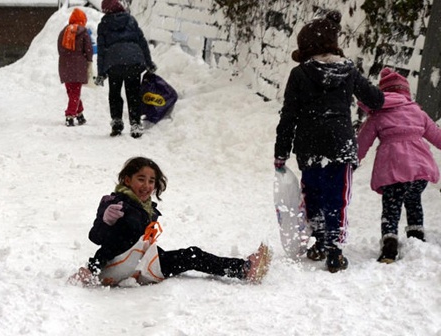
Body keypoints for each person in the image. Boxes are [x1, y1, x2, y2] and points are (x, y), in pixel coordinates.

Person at [273, 10, 384, 273]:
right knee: (337, 197)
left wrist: (281, 151)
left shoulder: (299, 74)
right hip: (339, 145)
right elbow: (376, 100)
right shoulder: (349, 72)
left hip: (309, 146)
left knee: (313, 194)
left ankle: (319, 242)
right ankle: (334, 249)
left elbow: (289, 115)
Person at [70, 157, 271, 287]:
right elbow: (97, 238)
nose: (147, 185)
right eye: (141, 179)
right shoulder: (115, 203)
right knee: (192, 256)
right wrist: (106, 222)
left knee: (191, 255)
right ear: (127, 180)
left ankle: (243, 268)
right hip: (115, 265)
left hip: (137, 261)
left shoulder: (147, 208)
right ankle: (244, 269)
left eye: (151, 181)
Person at [357, 67, 441, 263]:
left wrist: (352, 160)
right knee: (414, 201)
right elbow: (437, 136)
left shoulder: (378, 114)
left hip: (392, 170)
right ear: (405, 91)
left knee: (391, 208)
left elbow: (362, 142)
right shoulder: (417, 111)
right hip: (419, 169)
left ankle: (389, 245)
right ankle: (416, 237)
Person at [94, 0, 157, 138]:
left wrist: (101, 73)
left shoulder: (104, 25)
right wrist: (149, 62)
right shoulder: (130, 20)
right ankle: (135, 124)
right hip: (133, 62)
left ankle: (117, 122)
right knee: (133, 93)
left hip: (114, 64)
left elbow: (101, 50)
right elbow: (142, 42)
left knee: (115, 93)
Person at [57, 8, 93, 127]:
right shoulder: (83, 32)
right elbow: (88, 49)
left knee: (71, 91)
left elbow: (59, 48)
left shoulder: (64, 31)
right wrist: (88, 60)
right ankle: (70, 115)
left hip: (64, 65)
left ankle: (80, 114)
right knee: (75, 92)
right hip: (78, 66)